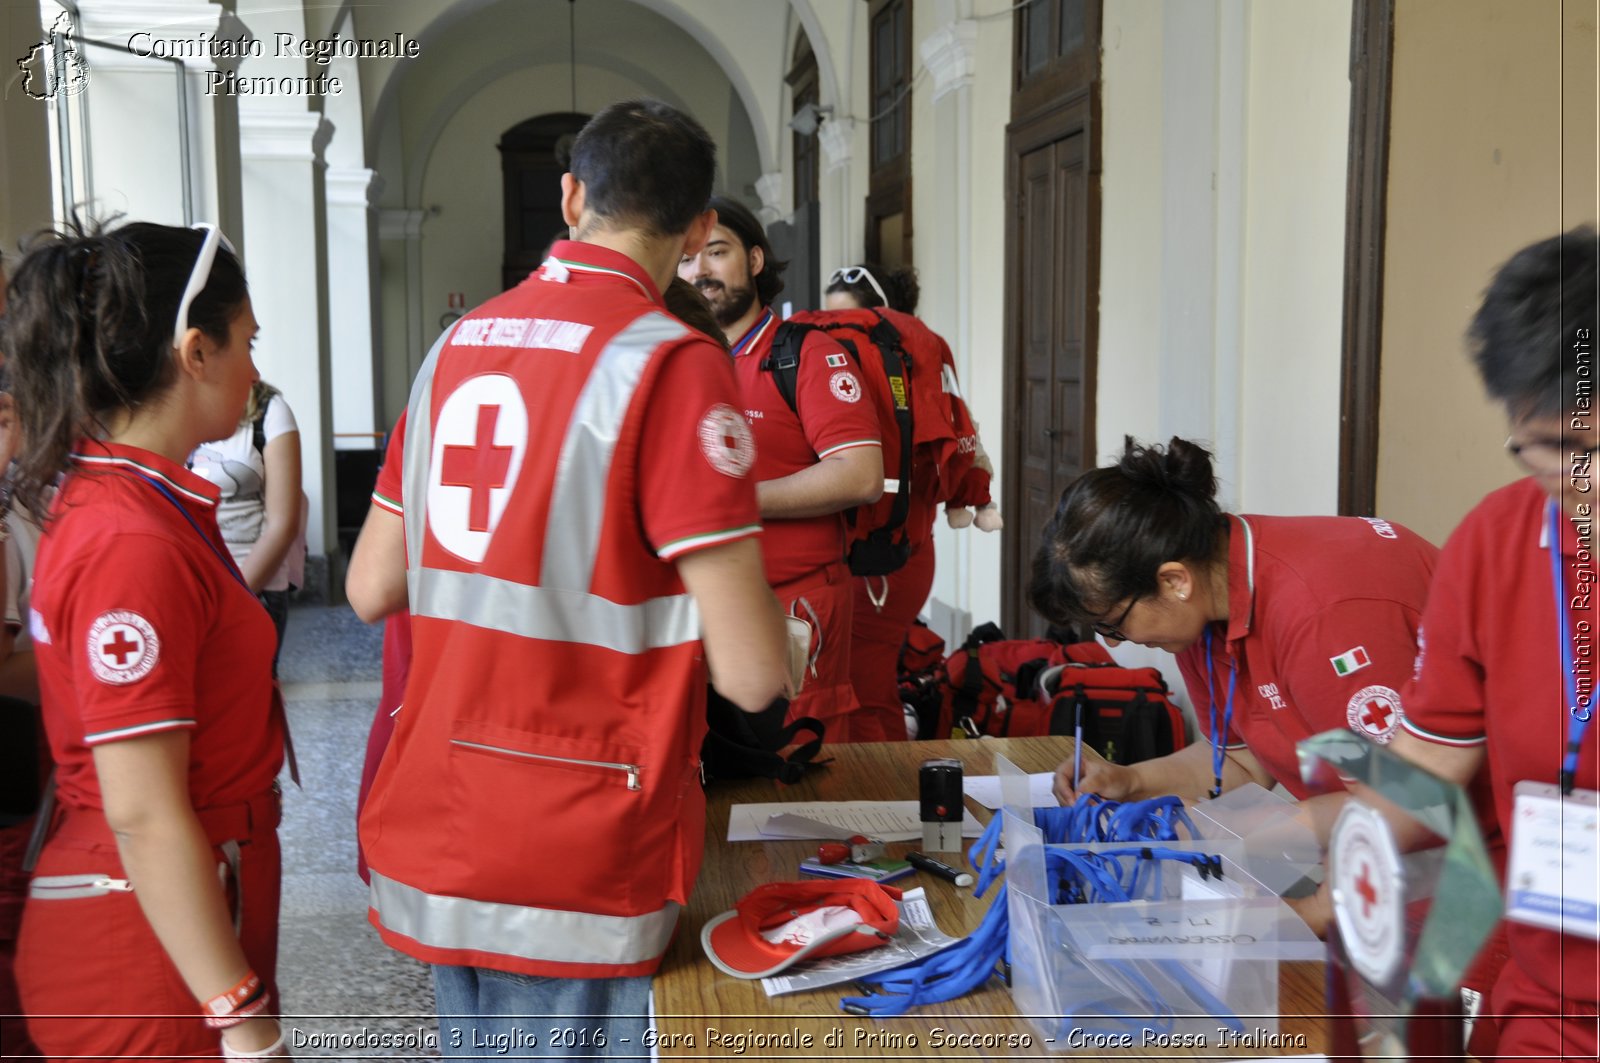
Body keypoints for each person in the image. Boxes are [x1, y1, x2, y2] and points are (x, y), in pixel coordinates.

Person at [346, 98, 791, 1055]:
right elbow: (753, 676)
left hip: (446, 799)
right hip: (579, 824)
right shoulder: (670, 364)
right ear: (702, 227)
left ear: (571, 193)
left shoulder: (455, 346)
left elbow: (370, 588)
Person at [7, 220, 286, 1057]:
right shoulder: (130, 538)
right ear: (194, 351)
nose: (255, 368)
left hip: (173, 904)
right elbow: (140, 805)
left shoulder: (136, 503)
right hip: (140, 938)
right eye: (246, 341)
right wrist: (240, 1013)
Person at [1389, 226, 1598, 1061]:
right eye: (1544, 450)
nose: (1573, 484)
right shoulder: (1494, 543)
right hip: (1554, 1009)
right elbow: (1429, 764)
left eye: (1586, 446)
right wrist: (1323, 879)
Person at [1032, 436, 1439, 808]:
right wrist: (1131, 780)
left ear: (1174, 580)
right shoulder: (1202, 604)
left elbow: (1407, 802)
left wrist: (1243, 841)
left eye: (1113, 624)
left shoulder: (1321, 616)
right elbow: (1242, 762)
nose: (1116, 643)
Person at [678, 197, 883, 741]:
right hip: (697, 611)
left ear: (755, 260)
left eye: (716, 253)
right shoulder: (676, 359)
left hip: (794, 608)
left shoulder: (807, 354)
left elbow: (859, 474)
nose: (700, 271)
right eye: (687, 258)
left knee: (799, 774)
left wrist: (735, 501)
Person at [822, 263, 997, 739]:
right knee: (864, 684)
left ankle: (877, 804)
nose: (837, 337)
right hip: (885, 556)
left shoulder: (911, 374)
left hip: (885, 561)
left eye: (851, 323)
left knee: (864, 690)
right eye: (830, 322)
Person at [188, 378, 303, 672]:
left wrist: (231, 602)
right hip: (195, 583)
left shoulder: (269, 412)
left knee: (254, 689)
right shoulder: (180, 404)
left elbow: (282, 524)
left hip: (256, 580)